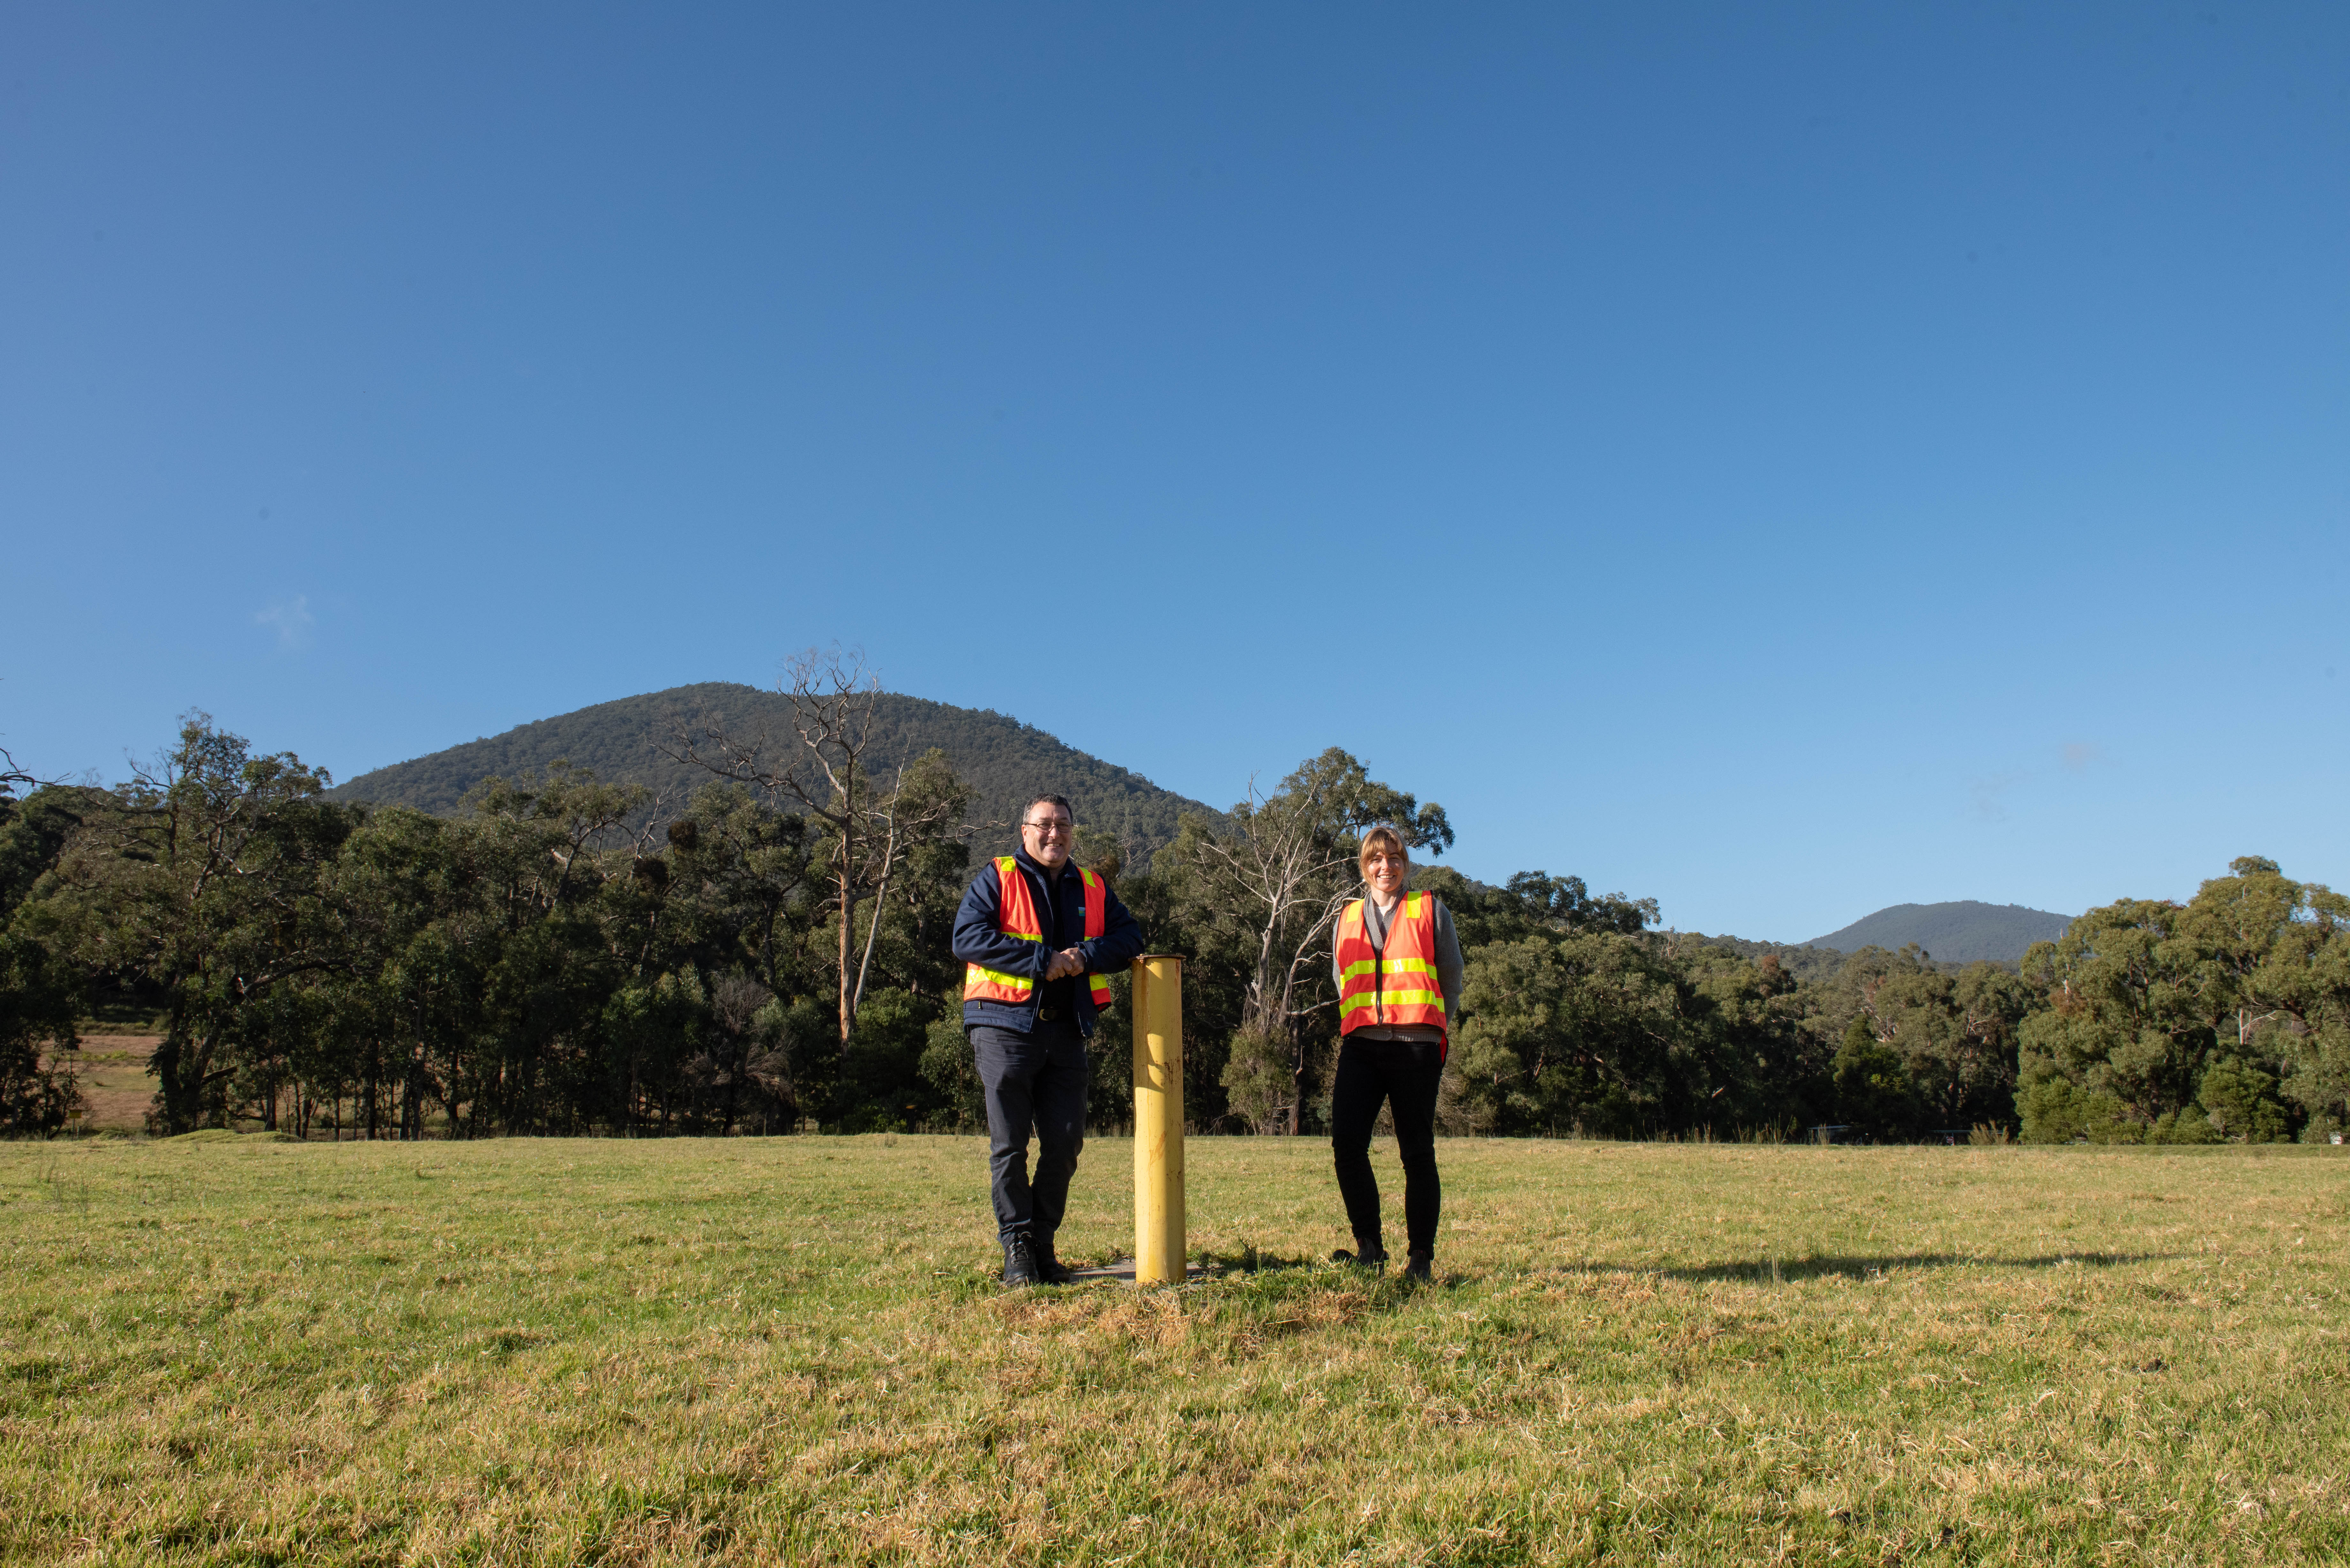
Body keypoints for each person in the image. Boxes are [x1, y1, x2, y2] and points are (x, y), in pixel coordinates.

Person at [952, 792, 1146, 1287]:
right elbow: (968, 937)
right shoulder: (997, 877)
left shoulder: (1093, 886)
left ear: (1072, 832)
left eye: (1062, 825)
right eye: (1044, 824)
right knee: (1010, 1146)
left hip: (1067, 1031)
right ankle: (1017, 1249)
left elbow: (1131, 938)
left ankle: (1041, 1243)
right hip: (1003, 1028)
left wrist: (1085, 955)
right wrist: (1042, 960)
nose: (1053, 833)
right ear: (1025, 831)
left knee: (1065, 1143)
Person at [1329, 825, 1464, 1280]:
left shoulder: (1431, 910)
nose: (1385, 867)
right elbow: (1342, 979)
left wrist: (1435, 1026)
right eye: (1375, 860)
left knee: (1417, 1154)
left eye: (1394, 859)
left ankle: (1420, 1258)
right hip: (1362, 1046)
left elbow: (1451, 975)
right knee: (1347, 1145)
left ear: (1405, 864)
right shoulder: (1346, 917)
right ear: (1364, 867)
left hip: (1417, 1048)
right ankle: (1369, 1247)